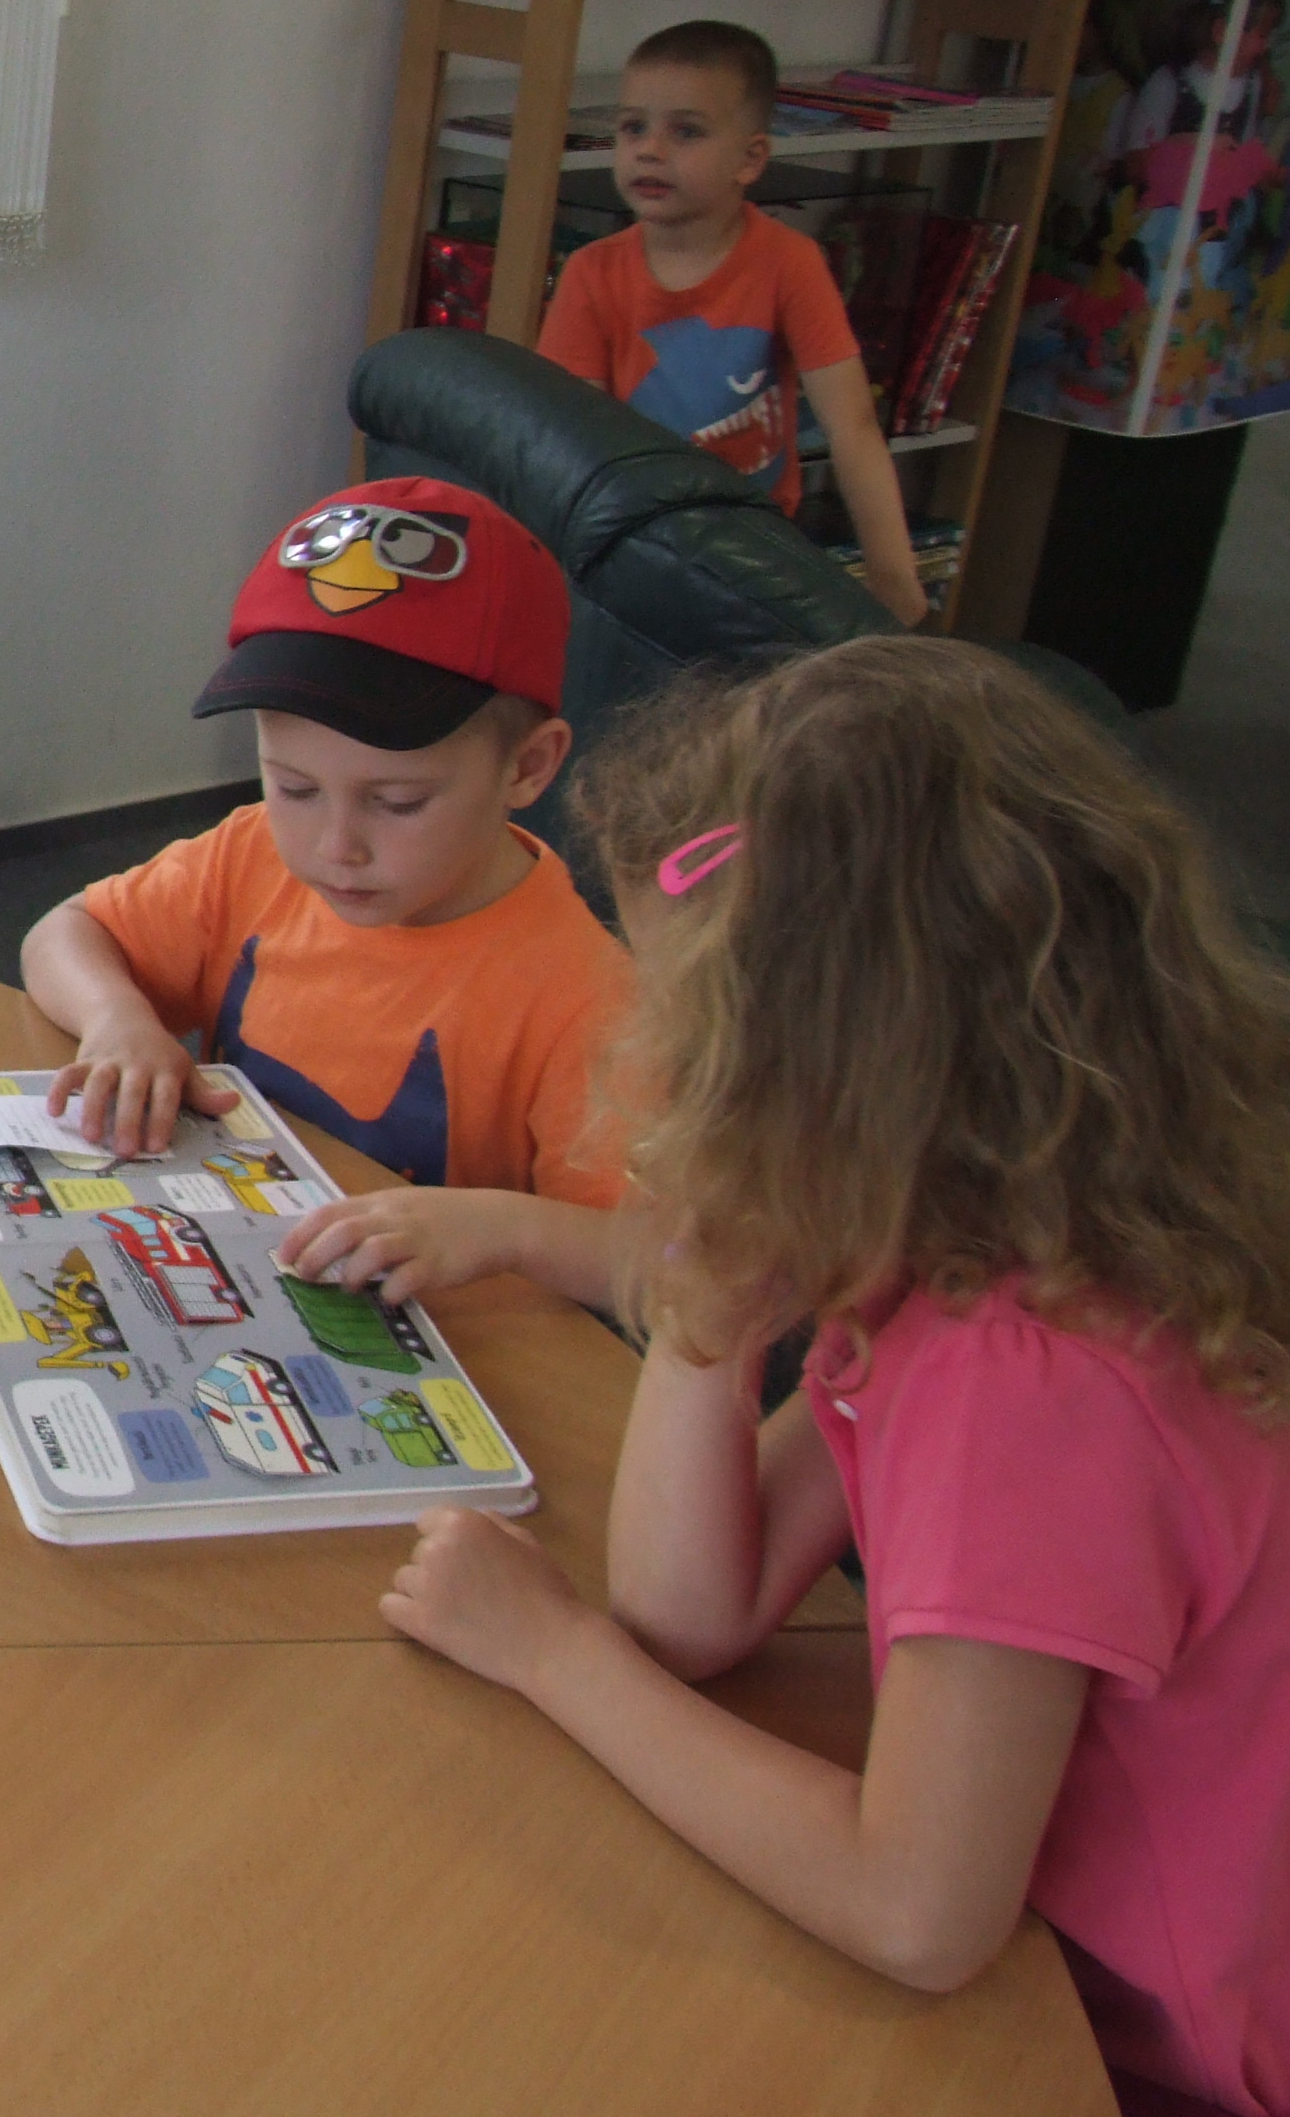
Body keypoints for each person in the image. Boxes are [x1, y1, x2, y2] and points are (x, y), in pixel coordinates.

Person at [382, 639, 1290, 2115]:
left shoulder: (1026, 1379)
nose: (659, 1084)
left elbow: (918, 1915)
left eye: (695, 1046)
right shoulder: (986, 1252)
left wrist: (549, 1654)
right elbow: (693, 1615)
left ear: (831, 1066)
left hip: (1153, 2063)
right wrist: (710, 1291)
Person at [21, 477, 630, 1309]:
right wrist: (116, 1018)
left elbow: (677, 1268)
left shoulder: (590, 1000)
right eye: (295, 788)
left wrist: (511, 1230)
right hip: (230, 1271)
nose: (335, 846)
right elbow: (63, 932)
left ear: (528, 766)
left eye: (398, 802)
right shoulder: (252, 855)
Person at [537, 19, 930, 628]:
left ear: (750, 159)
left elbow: (852, 427)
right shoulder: (591, 273)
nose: (649, 150)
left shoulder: (790, 263)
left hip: (757, 544)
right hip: (627, 543)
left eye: (686, 131)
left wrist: (893, 576)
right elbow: (567, 442)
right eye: (633, 127)